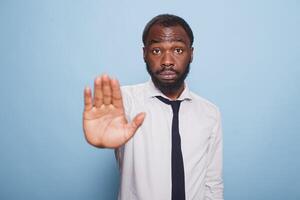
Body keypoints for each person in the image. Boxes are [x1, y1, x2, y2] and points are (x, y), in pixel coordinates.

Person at [83, 14, 223, 200]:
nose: (167, 61)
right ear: (144, 54)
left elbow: (212, 183)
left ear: (191, 53)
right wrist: (103, 139)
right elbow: (109, 127)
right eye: (157, 50)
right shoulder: (123, 102)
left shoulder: (210, 113)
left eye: (178, 50)